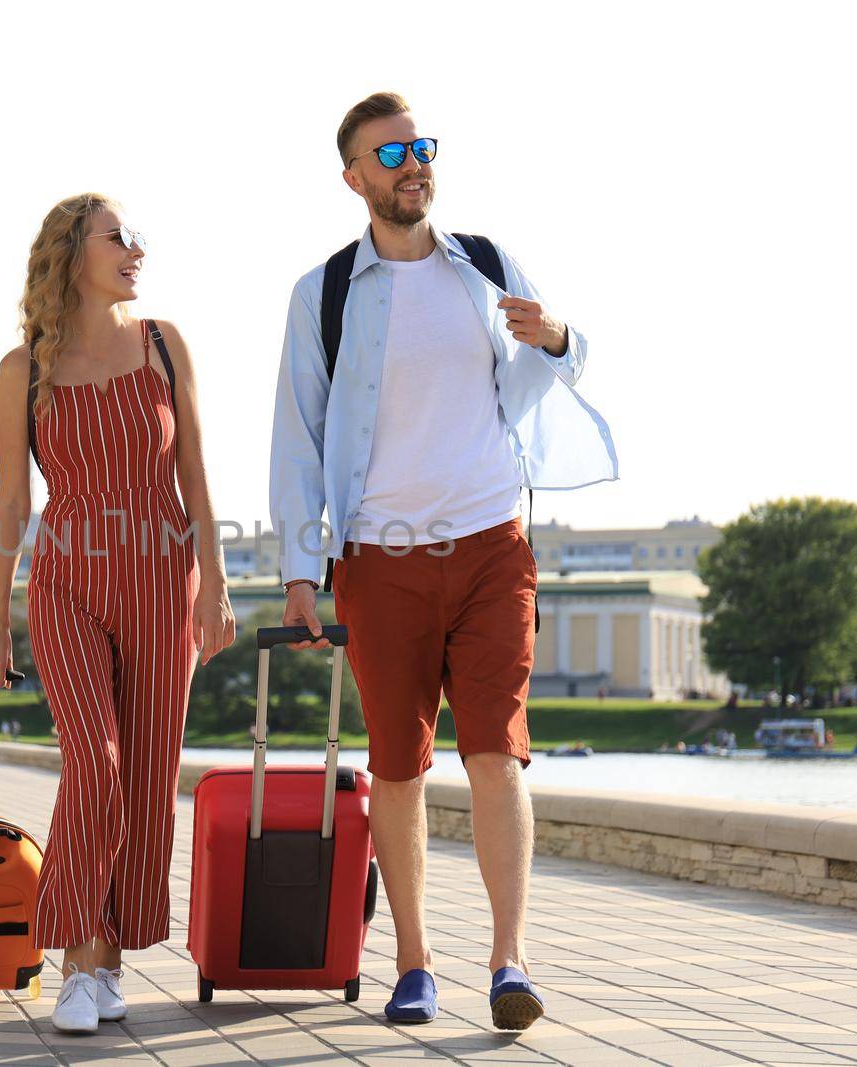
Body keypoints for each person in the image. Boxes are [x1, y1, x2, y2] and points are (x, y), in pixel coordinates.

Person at [269, 93, 616, 1031]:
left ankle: (510, 959)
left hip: (492, 547)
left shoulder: (487, 265)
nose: (411, 163)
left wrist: (557, 337)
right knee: (397, 767)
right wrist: (302, 569)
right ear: (355, 177)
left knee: (498, 750)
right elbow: (296, 437)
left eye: (421, 147)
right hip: (380, 561)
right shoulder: (326, 292)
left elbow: (556, 355)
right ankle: (414, 964)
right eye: (389, 154)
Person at [0, 194, 235, 1036]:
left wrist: (217, 583)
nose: (136, 250)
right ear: (71, 253)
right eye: (119, 237)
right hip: (68, 584)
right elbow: (13, 498)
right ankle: (77, 958)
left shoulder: (162, 344)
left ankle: (109, 954)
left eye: (137, 238)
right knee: (97, 762)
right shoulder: (25, 370)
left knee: (149, 782)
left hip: (163, 581)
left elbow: (195, 471)